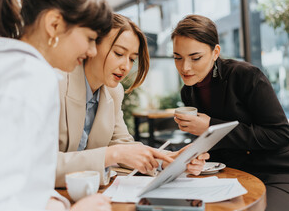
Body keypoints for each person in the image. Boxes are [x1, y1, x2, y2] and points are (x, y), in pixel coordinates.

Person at [0, 0, 113, 210]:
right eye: (90, 38)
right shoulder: (29, 75)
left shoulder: (0, 64)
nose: (93, 51)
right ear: (54, 24)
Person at [172, 15, 289, 211]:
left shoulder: (246, 76)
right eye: (177, 57)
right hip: (238, 174)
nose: (184, 67)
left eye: (195, 57)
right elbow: (217, 146)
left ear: (215, 52)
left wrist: (210, 126)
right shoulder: (188, 91)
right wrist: (197, 155)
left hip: (284, 173)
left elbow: (280, 135)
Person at [56, 13, 209, 187]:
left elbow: (122, 145)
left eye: (132, 59)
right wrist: (112, 154)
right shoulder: (56, 83)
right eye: (119, 53)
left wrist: (166, 160)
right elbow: (36, 165)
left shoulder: (113, 92)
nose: (126, 67)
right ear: (92, 46)